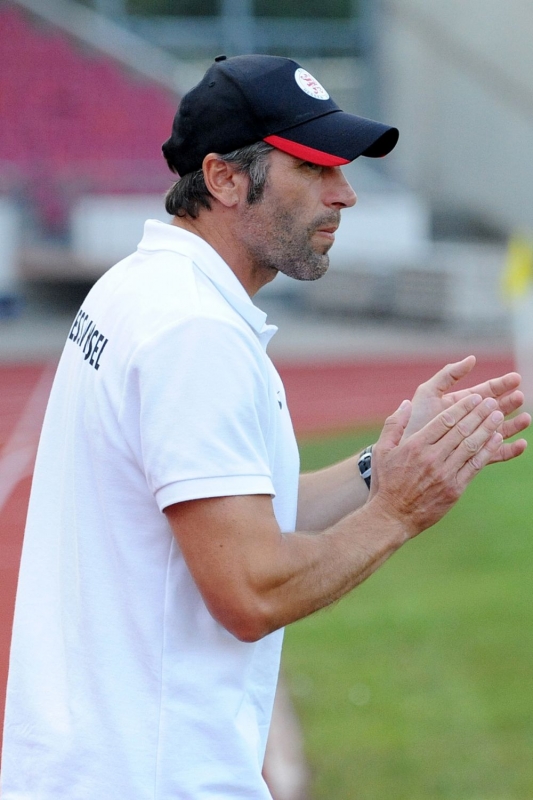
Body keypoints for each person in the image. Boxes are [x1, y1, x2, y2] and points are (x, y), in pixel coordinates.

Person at [1, 54, 530, 799]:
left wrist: (382, 466)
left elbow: (245, 512)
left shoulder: (142, 287)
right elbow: (250, 590)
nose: (344, 193)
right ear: (223, 179)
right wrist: (398, 511)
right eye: (313, 167)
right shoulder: (195, 333)